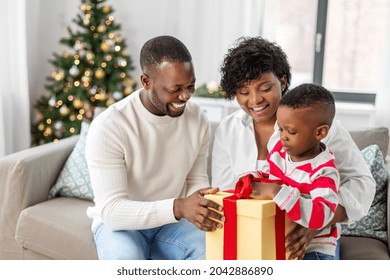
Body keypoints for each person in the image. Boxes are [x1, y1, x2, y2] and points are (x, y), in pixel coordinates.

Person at [212, 36, 376, 260]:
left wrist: (315, 223)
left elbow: (362, 184)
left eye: (265, 88)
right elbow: (227, 190)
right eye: (243, 91)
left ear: (282, 80)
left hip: (310, 244)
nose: (255, 100)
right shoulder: (228, 129)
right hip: (252, 238)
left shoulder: (318, 127)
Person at [85, 35, 224, 260]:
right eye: (175, 89)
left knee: (213, 253)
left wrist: (199, 206)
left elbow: (195, 181)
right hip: (122, 227)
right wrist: (178, 207)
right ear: (146, 81)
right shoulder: (110, 126)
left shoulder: (197, 119)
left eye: (190, 85)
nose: (186, 96)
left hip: (173, 224)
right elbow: (112, 211)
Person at [247, 83, 340, 260]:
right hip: (280, 241)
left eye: (291, 131)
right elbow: (271, 177)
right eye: (280, 128)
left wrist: (277, 192)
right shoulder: (279, 153)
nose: (282, 136)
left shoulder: (324, 172)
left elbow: (322, 215)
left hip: (314, 248)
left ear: (319, 133)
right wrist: (255, 178)